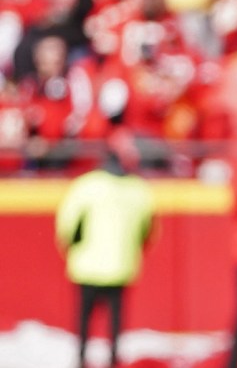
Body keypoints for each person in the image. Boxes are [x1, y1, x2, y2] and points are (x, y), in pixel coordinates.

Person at [55, 128, 155, 367]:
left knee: (84, 321)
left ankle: (81, 360)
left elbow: (66, 226)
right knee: (115, 324)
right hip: (120, 266)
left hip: (86, 266)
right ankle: (112, 361)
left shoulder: (86, 185)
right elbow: (148, 231)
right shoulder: (138, 190)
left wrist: (71, 249)